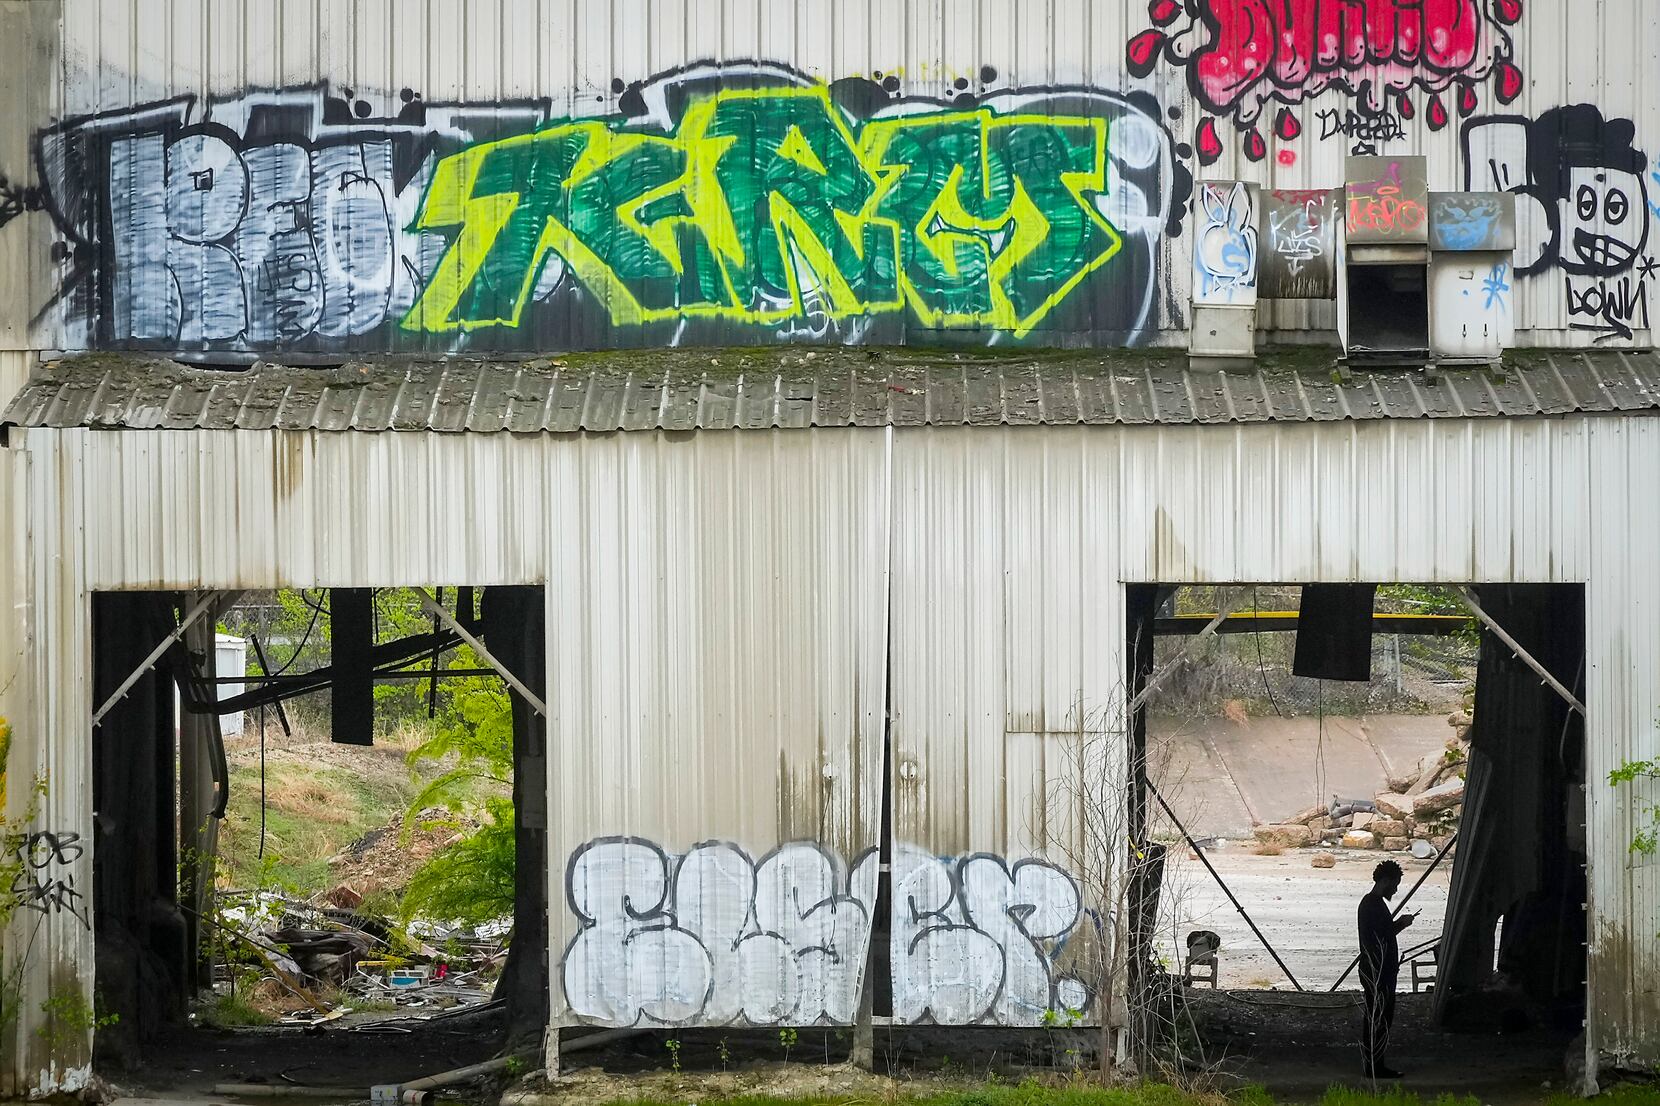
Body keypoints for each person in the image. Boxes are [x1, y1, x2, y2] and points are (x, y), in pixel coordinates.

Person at [1358, 859, 1415, 1078]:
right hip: (1377, 971)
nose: (1395, 889)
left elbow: (1383, 933)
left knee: (1378, 1018)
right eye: (1394, 884)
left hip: (1379, 970)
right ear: (1384, 881)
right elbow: (1380, 937)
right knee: (1379, 1019)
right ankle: (1375, 1067)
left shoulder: (1373, 904)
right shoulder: (1372, 905)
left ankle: (1374, 1064)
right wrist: (1400, 924)